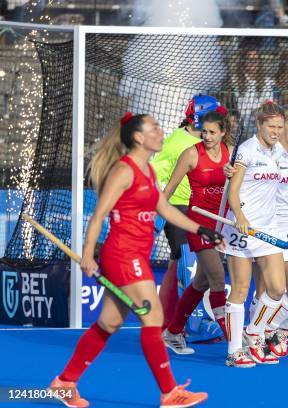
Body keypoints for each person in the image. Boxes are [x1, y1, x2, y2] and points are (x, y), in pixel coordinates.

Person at [49, 113, 223, 408]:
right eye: (153, 128)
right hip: (123, 255)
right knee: (153, 319)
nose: (160, 131)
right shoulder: (123, 171)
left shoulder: (149, 171)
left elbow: (164, 209)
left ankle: (64, 382)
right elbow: (98, 215)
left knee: (108, 323)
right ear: (139, 138)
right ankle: (170, 392)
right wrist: (89, 253)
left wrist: (199, 228)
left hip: (135, 255)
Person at [235, 105, 288, 358]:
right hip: (266, 223)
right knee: (264, 289)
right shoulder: (267, 150)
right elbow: (241, 172)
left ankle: (271, 328)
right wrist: (229, 171)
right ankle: (254, 336)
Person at [162, 109, 233, 354]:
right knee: (218, 280)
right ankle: (235, 343)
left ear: (223, 133)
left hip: (221, 225)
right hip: (198, 224)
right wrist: (151, 218)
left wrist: (233, 178)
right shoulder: (191, 154)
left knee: (200, 282)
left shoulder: (231, 154)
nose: (207, 136)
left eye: (213, 132)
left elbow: (239, 189)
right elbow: (168, 191)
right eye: (204, 131)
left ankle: (172, 333)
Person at [222, 101, 287, 368]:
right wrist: (240, 217)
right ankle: (234, 351)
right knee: (240, 289)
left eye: (279, 127)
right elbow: (233, 192)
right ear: (259, 125)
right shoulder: (247, 150)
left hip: (268, 229)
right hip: (241, 227)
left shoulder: (280, 151)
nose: (275, 131)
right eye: (271, 126)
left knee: (277, 288)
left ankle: (254, 332)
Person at [151, 95, 223, 332]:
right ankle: (190, 327)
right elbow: (154, 172)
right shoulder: (177, 142)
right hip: (180, 209)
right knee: (187, 267)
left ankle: (170, 324)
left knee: (183, 269)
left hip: (203, 212)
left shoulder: (211, 143)